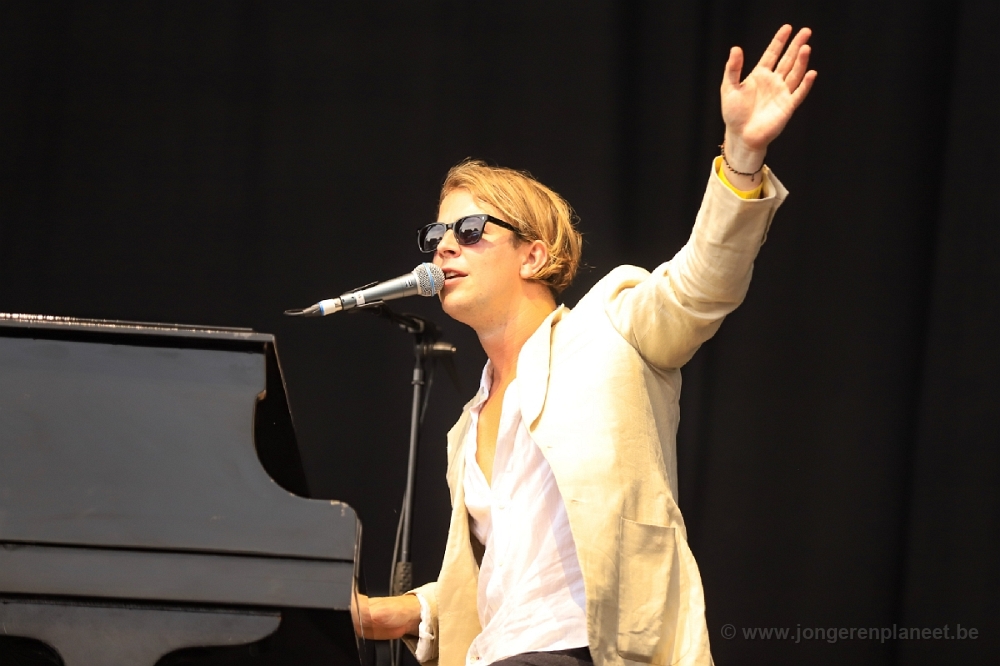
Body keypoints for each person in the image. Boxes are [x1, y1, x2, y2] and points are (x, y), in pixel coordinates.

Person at [353, 24, 817, 666]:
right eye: (437, 235)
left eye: (470, 229)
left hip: (593, 651)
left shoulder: (611, 326)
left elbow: (701, 284)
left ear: (533, 256)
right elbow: (504, 583)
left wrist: (741, 156)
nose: (445, 247)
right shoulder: (466, 427)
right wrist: (387, 612)